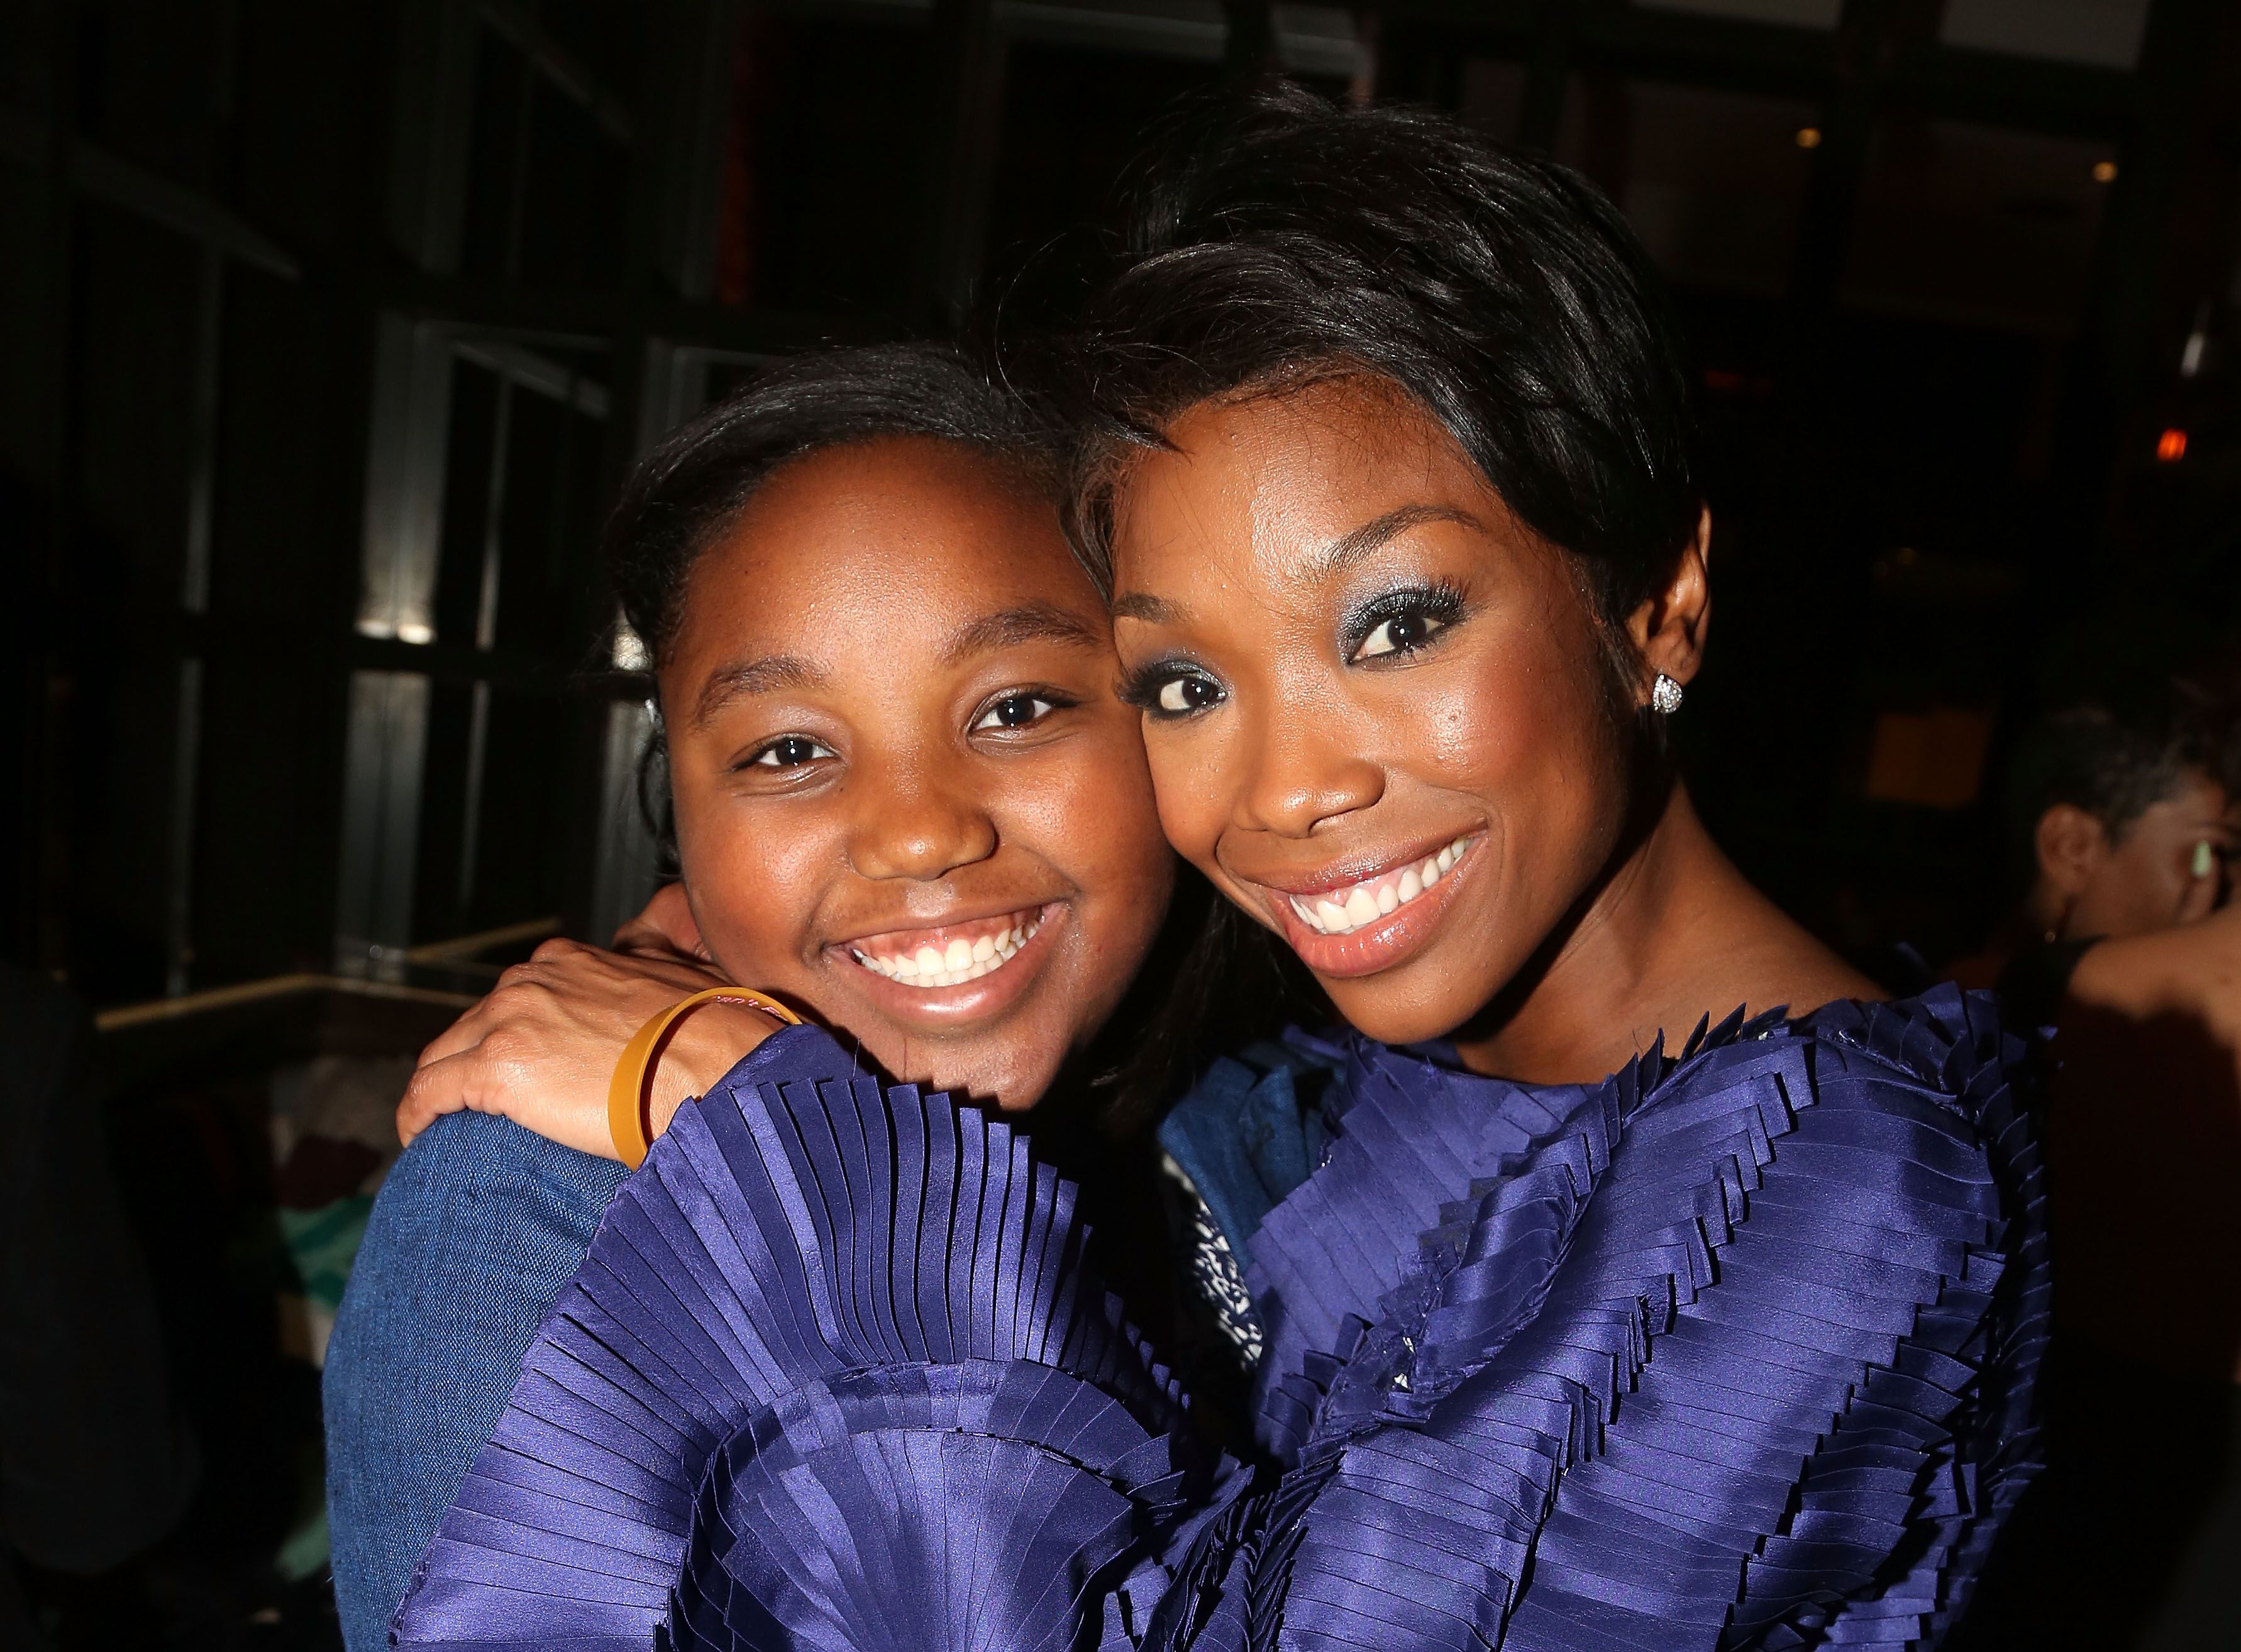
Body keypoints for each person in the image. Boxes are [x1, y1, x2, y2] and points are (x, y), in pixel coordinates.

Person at [387, 87, 2045, 1651]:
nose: (1287, 787)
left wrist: (777, 1120)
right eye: (1185, 683)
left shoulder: (1832, 1193)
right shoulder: (1367, 1079)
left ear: (1659, 599)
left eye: (1397, 624)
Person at [322, 342, 1205, 1652]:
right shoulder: (528, 1222)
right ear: (673, 804)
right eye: (790, 749)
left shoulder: (1233, 1132)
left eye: (1017, 707)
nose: (916, 834)